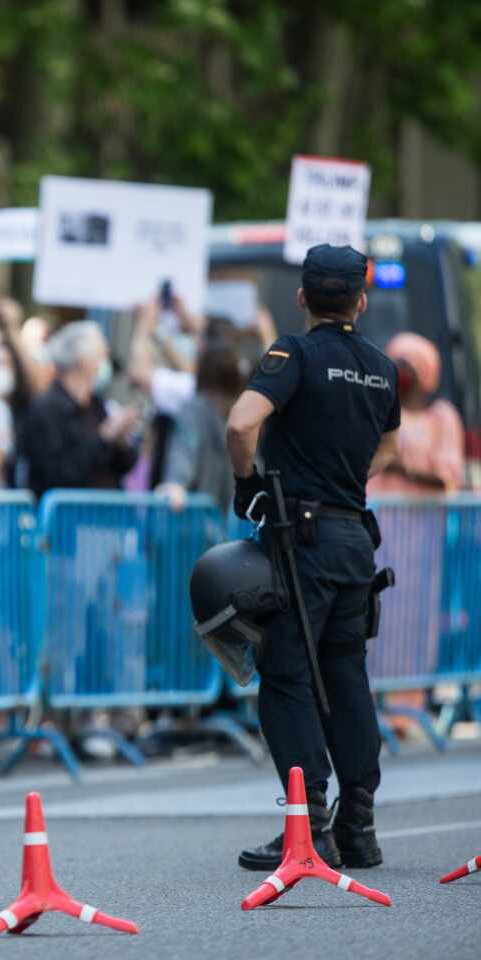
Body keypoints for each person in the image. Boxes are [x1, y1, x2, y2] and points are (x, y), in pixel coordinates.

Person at [225, 244, 399, 873]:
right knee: (347, 673)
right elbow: (390, 450)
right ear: (361, 298)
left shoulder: (292, 355)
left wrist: (248, 485)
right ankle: (359, 824)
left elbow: (242, 424)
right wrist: (347, 475)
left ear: (301, 297)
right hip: (355, 537)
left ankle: (310, 828)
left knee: (288, 675)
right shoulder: (383, 367)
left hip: (302, 538)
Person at [16, 320, 140, 497]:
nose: (104, 361)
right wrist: (104, 437)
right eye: (101, 354)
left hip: (105, 515)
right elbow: (58, 474)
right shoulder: (46, 408)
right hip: (67, 518)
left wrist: (120, 440)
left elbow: (122, 466)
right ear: (82, 359)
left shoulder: (97, 406)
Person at [366, 332, 465, 495]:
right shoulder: (377, 410)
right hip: (378, 515)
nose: (395, 371)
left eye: (403, 365)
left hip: (425, 518)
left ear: (422, 371)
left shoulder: (442, 418)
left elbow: (447, 480)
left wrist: (401, 469)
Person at [155, 340, 247, 511]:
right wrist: (175, 484)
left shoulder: (195, 411)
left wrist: (176, 483)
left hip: (203, 526)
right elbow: (183, 452)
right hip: (202, 526)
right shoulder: (197, 412)